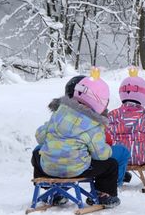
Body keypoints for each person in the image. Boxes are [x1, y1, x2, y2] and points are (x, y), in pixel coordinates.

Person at [32, 70, 121, 207]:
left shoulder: (58, 113)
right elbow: (100, 155)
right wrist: (108, 150)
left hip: (48, 169)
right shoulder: (93, 124)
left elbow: (40, 137)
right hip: (75, 169)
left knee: (37, 152)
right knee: (111, 164)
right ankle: (103, 195)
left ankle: (51, 191)